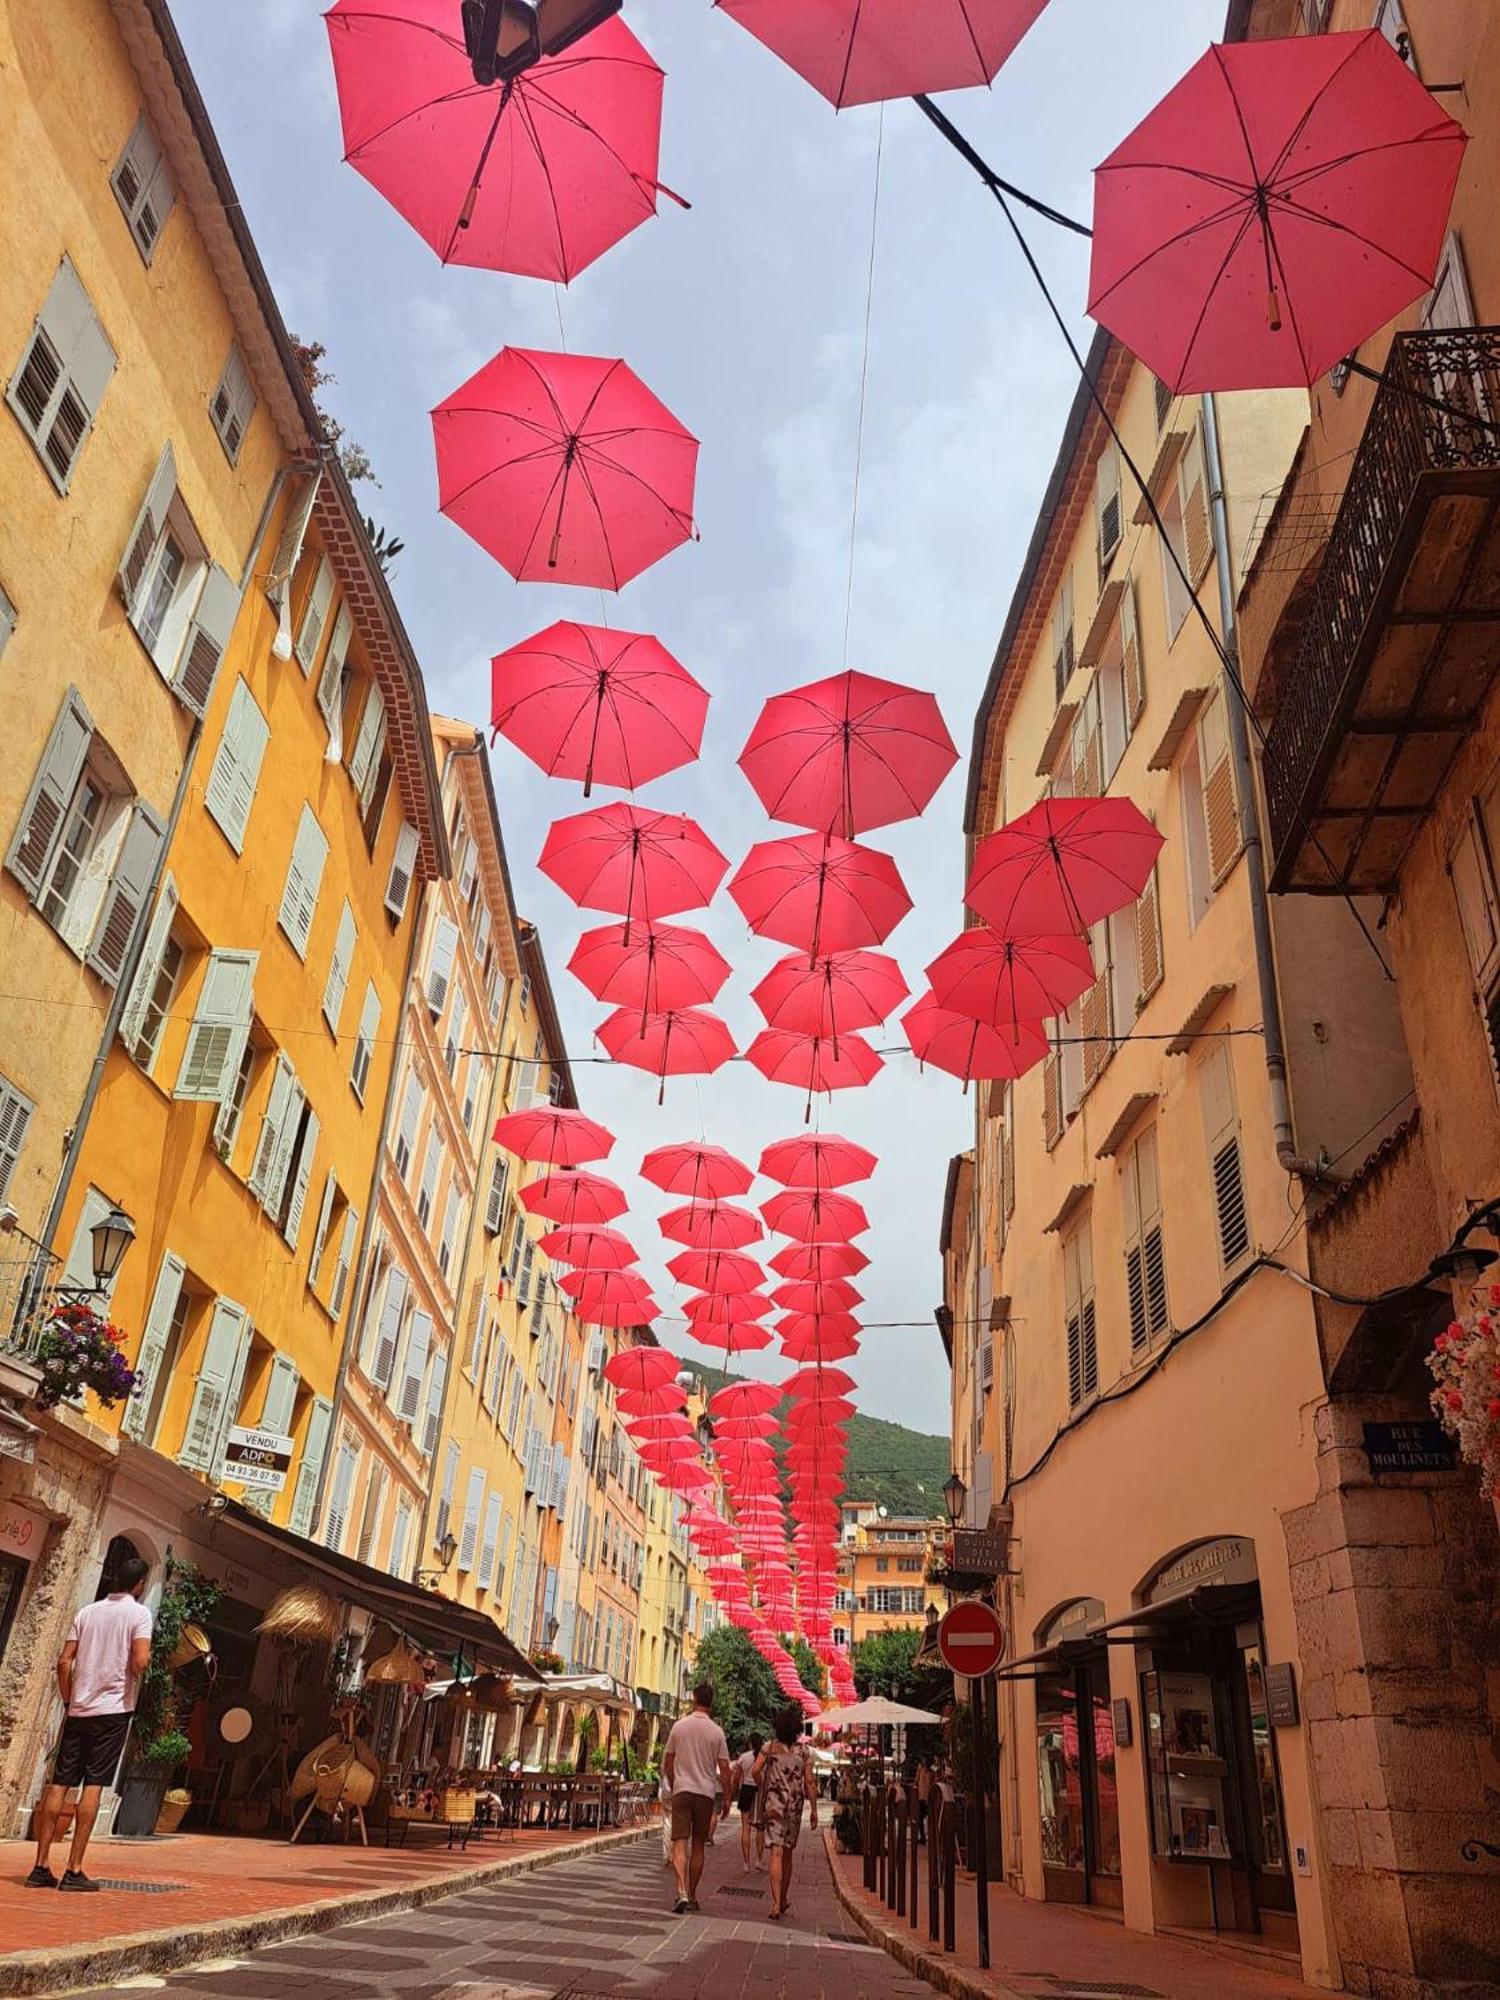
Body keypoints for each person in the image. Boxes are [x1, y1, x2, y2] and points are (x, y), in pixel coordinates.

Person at [27, 1555, 154, 1892]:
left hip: (79, 1709)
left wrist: (70, 1699)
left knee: (60, 1784)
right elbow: (140, 1663)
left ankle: (40, 1866)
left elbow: (63, 1661)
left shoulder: (87, 1612)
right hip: (112, 1711)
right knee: (94, 1785)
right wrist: (142, 1661)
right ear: (140, 1584)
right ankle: (74, 1868)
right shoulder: (139, 1614)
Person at [662, 1681, 733, 1916]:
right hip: (705, 1792)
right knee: (699, 1845)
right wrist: (727, 1798)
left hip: (682, 1789)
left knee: (679, 1843)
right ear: (711, 1703)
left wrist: (674, 1782)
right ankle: (692, 1895)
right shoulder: (717, 1732)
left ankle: (681, 1891)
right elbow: (725, 1768)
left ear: (694, 1699)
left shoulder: (679, 1727)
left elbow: (668, 1762)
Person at [753, 1705, 817, 1923]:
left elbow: (754, 1771)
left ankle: (775, 1903)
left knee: (776, 1853)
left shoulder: (768, 1748)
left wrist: (766, 1786)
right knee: (788, 1853)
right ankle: (783, 1897)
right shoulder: (804, 1752)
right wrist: (814, 1810)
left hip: (774, 1805)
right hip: (794, 1807)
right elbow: (809, 1781)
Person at [736, 1733, 764, 1870]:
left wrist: (732, 1793)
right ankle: (759, 1860)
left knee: (745, 1827)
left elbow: (736, 1776)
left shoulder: (743, 1757)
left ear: (750, 1743)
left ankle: (746, 1863)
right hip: (759, 1790)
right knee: (760, 1827)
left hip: (746, 1789)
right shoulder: (764, 1757)